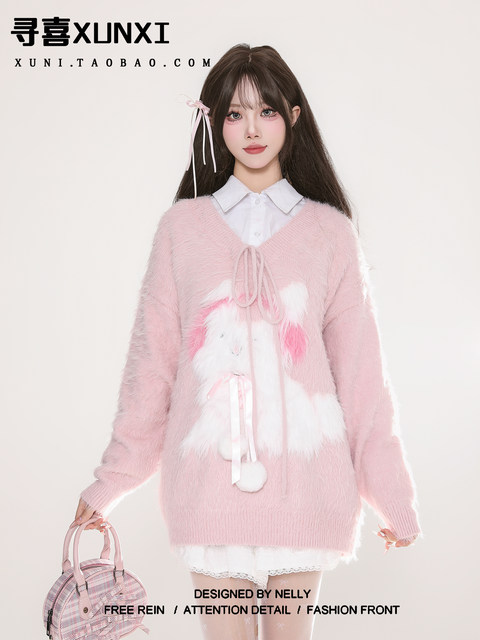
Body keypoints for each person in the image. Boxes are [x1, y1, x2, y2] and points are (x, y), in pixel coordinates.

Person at [72, 43, 422, 640]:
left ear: (293, 117)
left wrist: (394, 498)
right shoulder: (181, 229)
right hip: (208, 487)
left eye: (267, 111)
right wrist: (109, 485)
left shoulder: (330, 234)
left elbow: (363, 380)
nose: (252, 129)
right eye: (235, 114)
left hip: (307, 486)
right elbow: (151, 370)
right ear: (214, 122)